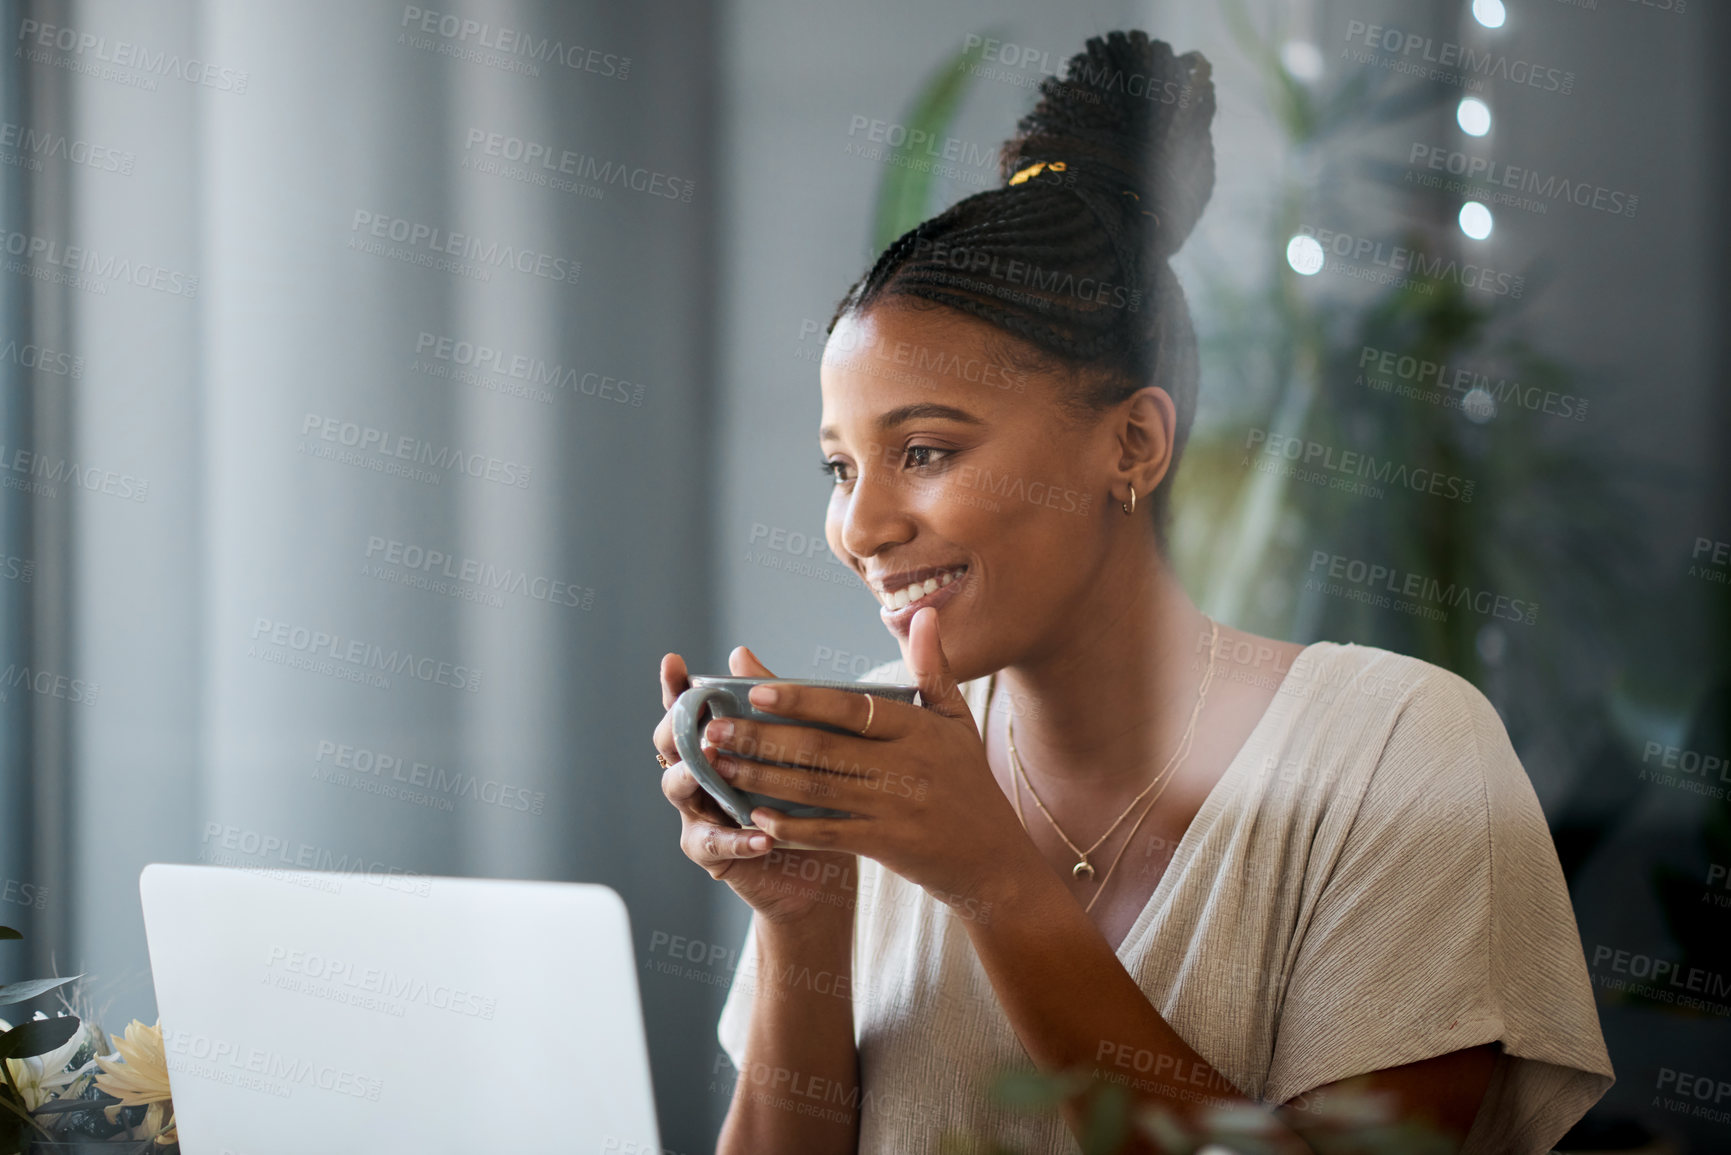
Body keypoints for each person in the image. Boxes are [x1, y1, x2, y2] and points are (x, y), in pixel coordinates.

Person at [653, 30, 1613, 1155]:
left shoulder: (1398, 752)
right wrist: (805, 920)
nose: (859, 528)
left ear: (1135, 445)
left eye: (924, 452)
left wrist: (997, 883)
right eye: (840, 468)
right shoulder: (877, 769)